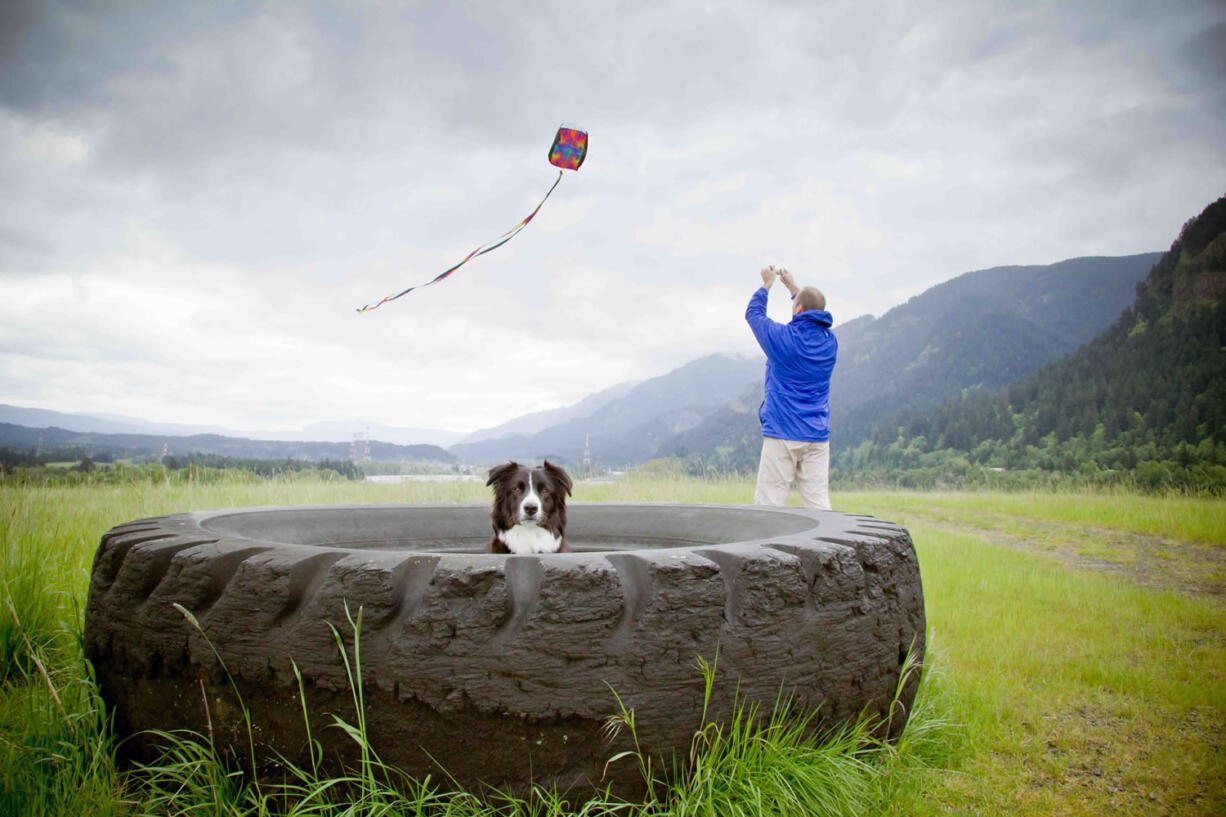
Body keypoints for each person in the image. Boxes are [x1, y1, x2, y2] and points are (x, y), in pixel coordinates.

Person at [744, 266, 837, 510]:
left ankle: (767, 549)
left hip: (783, 433)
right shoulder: (830, 343)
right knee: (819, 504)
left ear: (798, 309)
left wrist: (766, 285)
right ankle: (828, 547)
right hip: (817, 435)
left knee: (769, 506)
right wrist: (795, 290)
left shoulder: (783, 339)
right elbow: (810, 311)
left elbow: (754, 315)